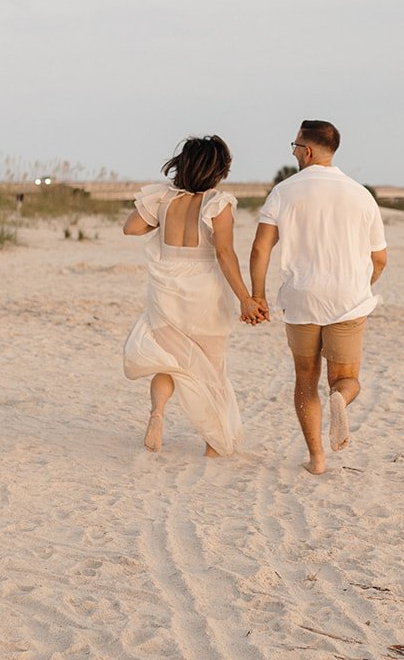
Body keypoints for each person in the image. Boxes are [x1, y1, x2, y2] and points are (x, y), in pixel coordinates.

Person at [250, 120, 388, 475]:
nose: (294, 152)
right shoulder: (361, 194)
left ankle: (316, 459)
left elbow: (261, 248)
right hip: (347, 299)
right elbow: (380, 257)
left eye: (294, 146)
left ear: (306, 150)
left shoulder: (284, 192)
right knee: (345, 378)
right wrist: (360, 284)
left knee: (305, 378)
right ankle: (340, 399)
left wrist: (257, 295)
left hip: (301, 299)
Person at [122, 136, 264, 457]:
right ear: (219, 171)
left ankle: (157, 414)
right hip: (204, 293)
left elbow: (130, 228)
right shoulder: (218, 203)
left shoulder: (163, 199)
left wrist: (157, 218)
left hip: (166, 290)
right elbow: (225, 254)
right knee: (211, 368)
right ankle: (213, 444)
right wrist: (245, 298)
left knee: (170, 362)